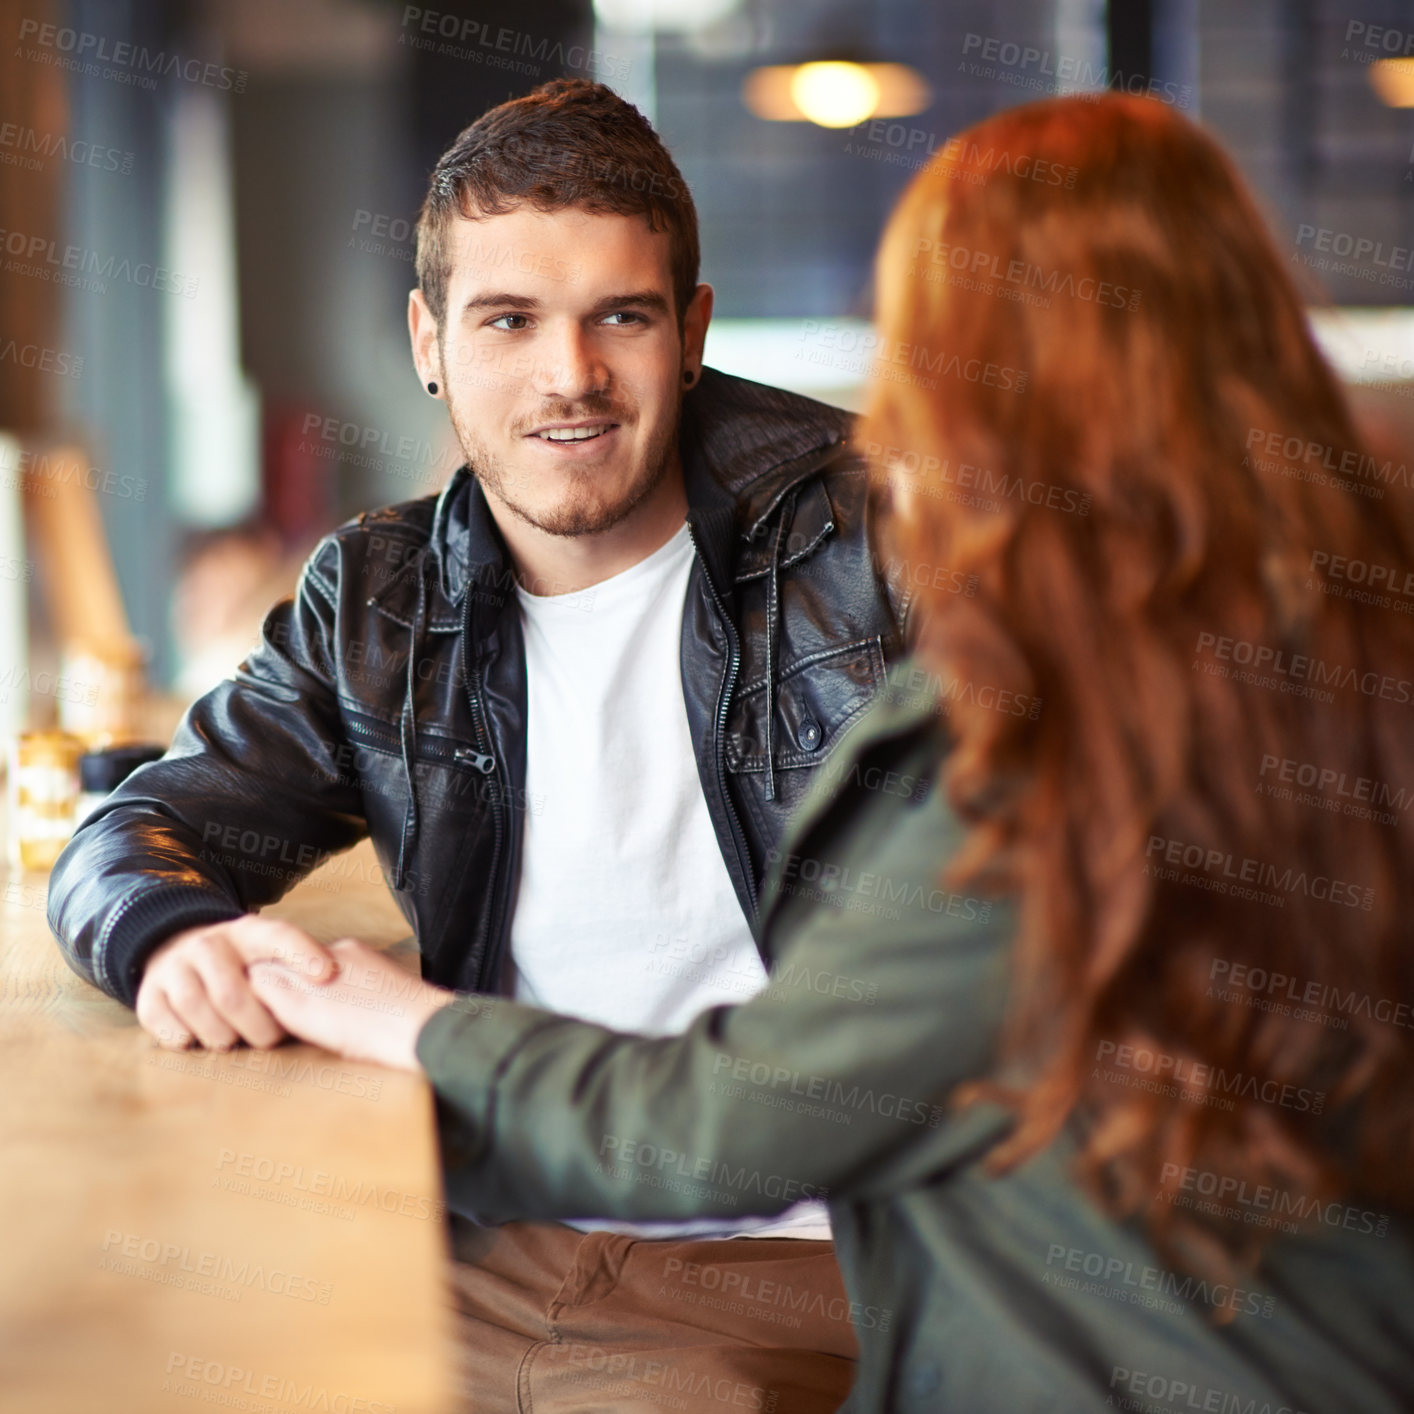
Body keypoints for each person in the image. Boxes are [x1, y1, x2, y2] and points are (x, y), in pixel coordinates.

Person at [245, 92, 1414, 1413]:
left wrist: (409, 1021)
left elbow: (718, 1128)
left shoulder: (1031, 744)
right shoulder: (1336, 643)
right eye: (509, 317)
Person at [48, 80, 906, 1412]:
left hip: (795, 1258)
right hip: (487, 1239)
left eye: (618, 316)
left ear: (689, 331)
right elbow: (137, 829)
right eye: (508, 320)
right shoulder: (381, 596)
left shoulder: (877, 545)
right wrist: (164, 933)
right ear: (428, 340)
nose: (569, 375)